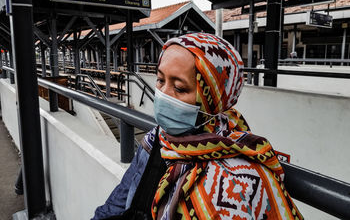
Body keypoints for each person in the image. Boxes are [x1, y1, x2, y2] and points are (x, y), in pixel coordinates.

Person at [92, 33, 303, 220]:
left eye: (180, 88)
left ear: (211, 99)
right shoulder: (155, 139)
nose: (164, 94)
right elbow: (117, 203)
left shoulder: (234, 179)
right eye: (159, 80)